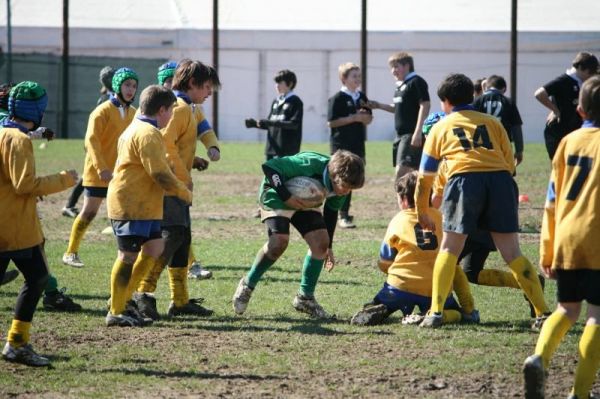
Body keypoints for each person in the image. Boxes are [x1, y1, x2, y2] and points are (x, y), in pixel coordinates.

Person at [414, 73, 549, 328]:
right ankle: (543, 312)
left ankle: (435, 312)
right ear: (473, 96)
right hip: (501, 181)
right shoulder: (493, 122)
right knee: (512, 253)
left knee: (449, 249)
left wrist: (422, 210)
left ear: (445, 102)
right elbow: (510, 165)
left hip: (464, 181)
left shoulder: (441, 126)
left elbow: (424, 177)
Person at [523, 76, 600, 399]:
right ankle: (580, 394)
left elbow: (552, 201)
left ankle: (539, 357)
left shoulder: (567, 143)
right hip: (597, 239)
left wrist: (546, 250)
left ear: (580, 110)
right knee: (597, 316)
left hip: (566, 238)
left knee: (567, 310)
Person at [133, 60, 221, 320]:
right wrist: (182, 179)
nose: (210, 92)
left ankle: (180, 300)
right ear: (192, 84)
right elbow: (165, 145)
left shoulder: (188, 108)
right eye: (206, 87)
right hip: (169, 187)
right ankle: (143, 293)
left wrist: (193, 160)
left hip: (177, 185)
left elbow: (178, 145)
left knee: (182, 240)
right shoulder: (180, 108)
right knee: (170, 238)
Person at [232, 150, 365, 319]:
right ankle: (247, 285)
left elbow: (331, 211)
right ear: (334, 176)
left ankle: (305, 298)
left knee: (320, 245)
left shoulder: (342, 186)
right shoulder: (309, 163)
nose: (346, 192)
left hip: (306, 201)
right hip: (277, 194)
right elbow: (270, 168)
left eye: (350, 189)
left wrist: (329, 246)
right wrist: (286, 197)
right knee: (278, 243)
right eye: (345, 187)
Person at [0, 81, 78, 365]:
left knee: (36, 277)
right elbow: (25, 184)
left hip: (12, 223)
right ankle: (17, 344)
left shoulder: (6, 131)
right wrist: (65, 179)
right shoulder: (18, 140)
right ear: (38, 110)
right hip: (13, 227)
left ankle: (17, 343)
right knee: (37, 278)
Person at [105, 85, 192, 327]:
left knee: (154, 248)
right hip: (130, 203)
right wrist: (182, 191)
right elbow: (160, 175)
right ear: (161, 109)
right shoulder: (147, 133)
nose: (172, 116)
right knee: (128, 256)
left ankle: (124, 301)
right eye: (171, 111)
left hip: (145, 204)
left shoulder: (141, 128)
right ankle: (116, 309)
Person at [350, 171, 478, 326]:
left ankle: (382, 306)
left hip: (400, 285)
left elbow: (385, 260)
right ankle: (435, 314)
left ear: (404, 200)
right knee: (456, 313)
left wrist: (391, 270)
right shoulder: (442, 218)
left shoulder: (398, 220)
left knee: (387, 298)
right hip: (435, 288)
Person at [62, 67, 138, 268]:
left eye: (134, 86)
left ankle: (127, 255)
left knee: (125, 215)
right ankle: (71, 252)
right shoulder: (102, 111)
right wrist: (102, 168)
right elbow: (91, 142)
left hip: (121, 174)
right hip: (99, 173)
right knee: (89, 213)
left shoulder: (134, 113)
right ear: (116, 86)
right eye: (127, 85)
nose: (131, 90)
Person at [62, 66, 116, 218]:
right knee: (90, 176)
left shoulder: (111, 96)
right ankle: (69, 205)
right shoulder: (106, 100)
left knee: (90, 176)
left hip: (106, 145)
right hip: (100, 145)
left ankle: (69, 205)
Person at [367, 52, 430, 177]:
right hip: (400, 136)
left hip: (410, 134)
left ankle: (402, 197)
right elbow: (398, 108)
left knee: (401, 172)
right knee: (410, 173)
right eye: (391, 67)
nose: (393, 71)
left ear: (407, 66)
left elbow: (425, 105)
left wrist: (417, 133)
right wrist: (378, 105)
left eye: (396, 67)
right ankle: (410, 196)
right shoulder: (401, 86)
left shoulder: (416, 82)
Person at [326, 63, 372, 229]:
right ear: (343, 79)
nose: (357, 79)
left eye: (359, 76)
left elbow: (368, 119)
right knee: (339, 180)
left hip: (357, 145)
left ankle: (344, 214)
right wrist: (353, 118)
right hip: (340, 147)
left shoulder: (361, 97)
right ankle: (338, 214)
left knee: (352, 179)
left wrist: (364, 118)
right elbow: (331, 122)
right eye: (354, 76)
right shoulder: (337, 98)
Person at [535, 52, 599, 160]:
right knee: (561, 167)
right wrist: (555, 110)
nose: (591, 76)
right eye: (589, 72)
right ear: (579, 67)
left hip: (575, 131)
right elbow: (539, 94)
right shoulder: (563, 81)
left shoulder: (583, 82)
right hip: (559, 132)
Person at [245, 69, 303, 160]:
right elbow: (270, 125)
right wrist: (255, 124)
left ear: (290, 84)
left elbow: (294, 124)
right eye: (276, 83)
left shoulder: (295, 101)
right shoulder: (276, 101)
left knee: (284, 174)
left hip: (286, 151)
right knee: (269, 174)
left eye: (280, 82)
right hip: (271, 149)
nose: (277, 86)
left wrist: (270, 122)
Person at [473, 74, 524, 166]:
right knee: (503, 172)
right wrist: (519, 151)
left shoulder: (478, 101)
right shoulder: (508, 102)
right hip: (503, 145)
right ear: (504, 89)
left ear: (487, 87)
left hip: (481, 146)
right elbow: (516, 127)